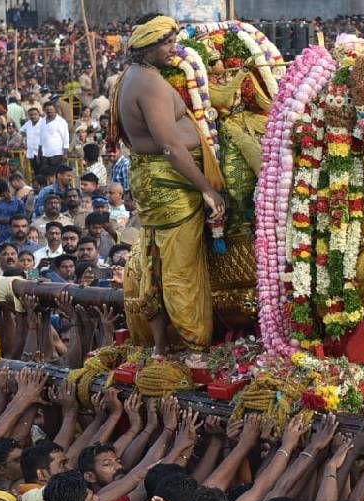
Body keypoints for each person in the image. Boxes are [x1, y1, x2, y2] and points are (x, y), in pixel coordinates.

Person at [110, 14, 226, 352]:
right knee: (181, 266)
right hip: (169, 183)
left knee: (155, 260)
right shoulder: (149, 84)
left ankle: (162, 344)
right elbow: (170, 145)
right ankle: (195, 347)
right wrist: (206, 188)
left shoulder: (132, 76)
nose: (173, 49)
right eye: (167, 43)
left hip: (154, 179)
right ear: (148, 47)